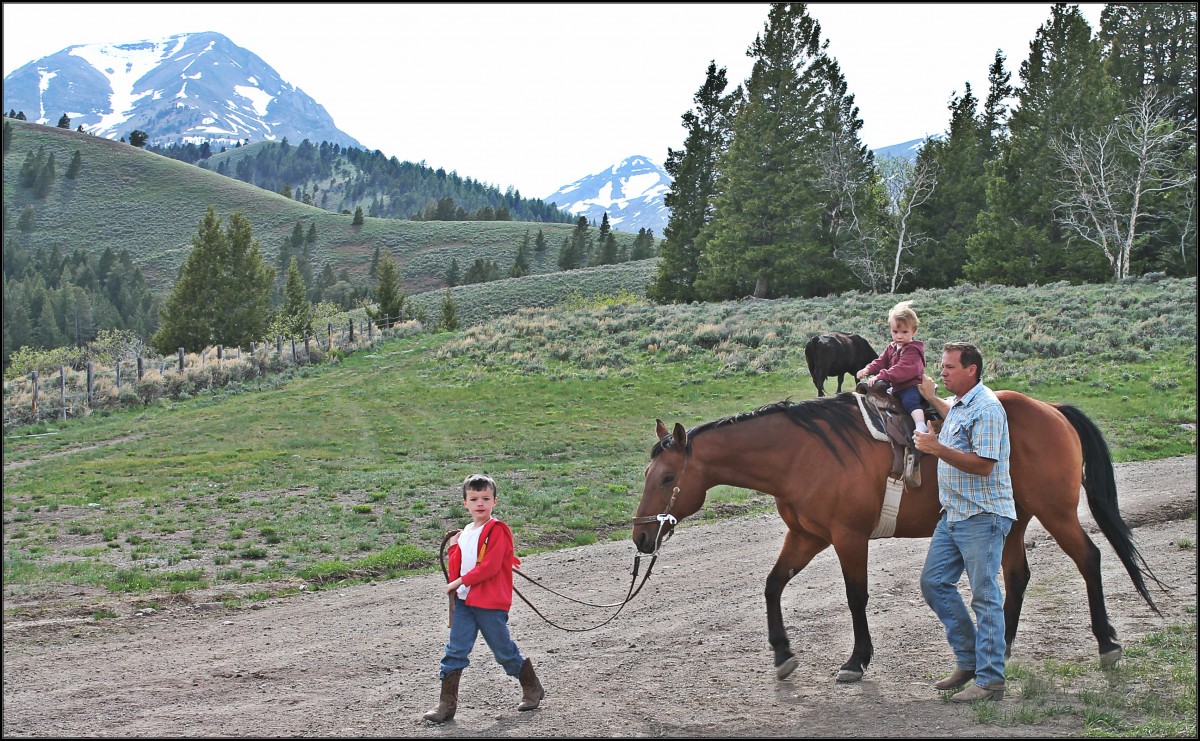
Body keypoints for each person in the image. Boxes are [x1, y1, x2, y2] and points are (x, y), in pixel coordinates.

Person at [912, 342, 1016, 703]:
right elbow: (954, 416)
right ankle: (971, 660)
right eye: (942, 366)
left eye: (949, 368)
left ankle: (990, 681)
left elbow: (985, 464)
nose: (942, 372)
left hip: (982, 517)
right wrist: (931, 396)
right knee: (934, 582)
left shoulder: (987, 408)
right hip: (954, 515)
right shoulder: (961, 405)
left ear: (971, 369)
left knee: (985, 596)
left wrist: (937, 448)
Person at [423, 474, 544, 722]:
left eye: (485, 498)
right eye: (474, 498)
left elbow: (489, 567)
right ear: (465, 503)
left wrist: (458, 582)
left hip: (489, 603)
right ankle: (446, 705)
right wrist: (454, 547)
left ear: (494, 502)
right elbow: (458, 565)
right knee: (455, 651)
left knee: (503, 652)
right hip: (465, 604)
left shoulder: (498, 530)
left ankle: (532, 688)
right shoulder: (466, 532)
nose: (480, 503)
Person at [855, 300, 929, 435]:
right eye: (895, 331)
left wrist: (880, 376)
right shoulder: (892, 347)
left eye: (904, 332)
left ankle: (920, 424)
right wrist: (868, 369)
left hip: (910, 386)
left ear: (914, 331)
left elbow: (902, 369)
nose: (899, 336)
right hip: (895, 387)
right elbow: (881, 361)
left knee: (910, 401)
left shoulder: (913, 350)